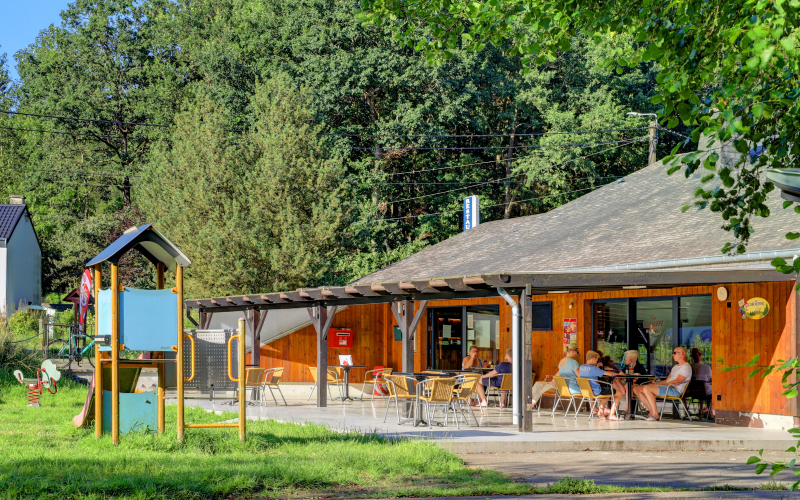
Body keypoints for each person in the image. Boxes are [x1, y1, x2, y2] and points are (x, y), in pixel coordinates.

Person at [633, 346, 692, 421]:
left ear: (682, 354)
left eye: (674, 353)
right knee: (636, 388)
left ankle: (655, 414)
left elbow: (677, 382)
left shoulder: (686, 367)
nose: (673, 355)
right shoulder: (675, 367)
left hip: (675, 390)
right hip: (668, 387)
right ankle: (652, 411)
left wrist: (657, 385)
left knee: (647, 388)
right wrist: (656, 384)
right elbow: (667, 380)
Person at [577, 350, 624, 420]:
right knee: (619, 393)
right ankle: (612, 414)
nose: (597, 362)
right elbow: (610, 374)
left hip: (588, 391)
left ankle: (601, 411)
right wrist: (619, 374)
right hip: (596, 391)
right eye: (596, 360)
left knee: (609, 392)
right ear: (593, 359)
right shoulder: (593, 368)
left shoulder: (581, 367)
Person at [690, 348, 713, 417]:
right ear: (700, 355)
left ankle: (703, 410)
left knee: (702, 388)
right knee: (714, 392)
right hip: (705, 392)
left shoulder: (689, 366)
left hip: (692, 392)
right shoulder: (706, 367)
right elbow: (711, 379)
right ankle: (709, 411)